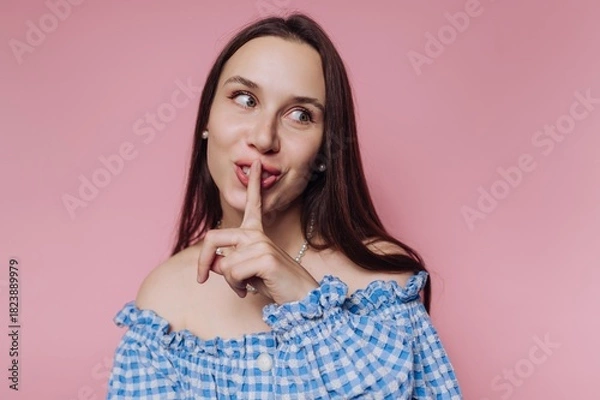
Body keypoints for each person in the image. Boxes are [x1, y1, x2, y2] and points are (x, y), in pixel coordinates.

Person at [106, 12, 463, 399]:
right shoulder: (163, 304)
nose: (264, 138)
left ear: (325, 150)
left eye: (300, 115)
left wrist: (303, 298)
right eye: (245, 99)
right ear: (207, 118)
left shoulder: (383, 286)